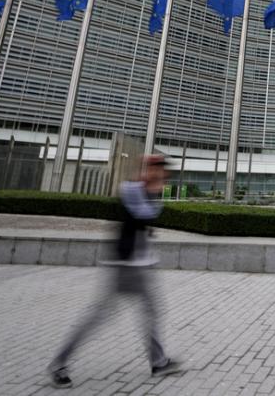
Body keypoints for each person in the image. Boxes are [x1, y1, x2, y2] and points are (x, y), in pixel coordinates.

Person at [48, 154, 183, 388]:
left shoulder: (149, 190)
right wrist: (152, 189)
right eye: (157, 169)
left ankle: (158, 361)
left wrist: (154, 191)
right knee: (100, 316)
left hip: (140, 263)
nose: (161, 174)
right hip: (125, 266)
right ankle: (59, 363)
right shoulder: (131, 188)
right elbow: (145, 213)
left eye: (163, 170)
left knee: (150, 311)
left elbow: (146, 219)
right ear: (149, 168)